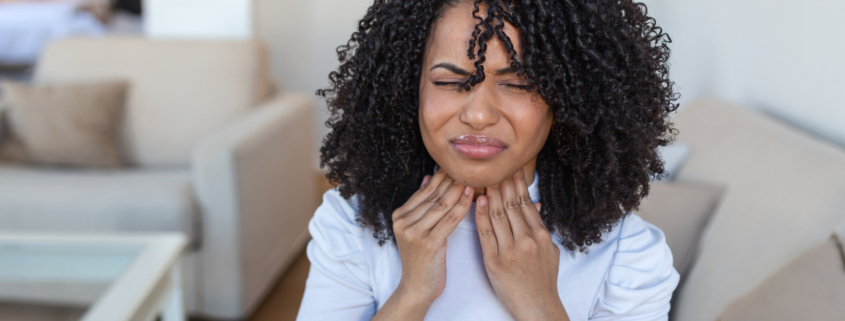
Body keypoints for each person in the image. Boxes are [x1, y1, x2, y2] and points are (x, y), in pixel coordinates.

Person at [297, 0, 680, 320]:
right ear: (406, 90)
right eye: (449, 82)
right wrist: (411, 295)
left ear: (567, 100)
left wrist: (541, 306)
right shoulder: (349, 226)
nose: (478, 116)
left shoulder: (627, 256)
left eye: (516, 84)